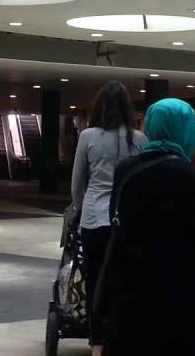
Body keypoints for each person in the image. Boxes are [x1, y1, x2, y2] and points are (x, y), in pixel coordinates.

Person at [99, 97, 195, 355]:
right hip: (183, 301)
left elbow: (117, 221)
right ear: (186, 130)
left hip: (130, 300)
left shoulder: (125, 171)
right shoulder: (194, 178)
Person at [71, 81, 147, 355]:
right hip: (126, 221)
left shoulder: (87, 136)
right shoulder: (139, 139)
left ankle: (97, 344)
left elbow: (77, 184)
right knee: (124, 281)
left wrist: (81, 210)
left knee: (95, 281)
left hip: (94, 219)